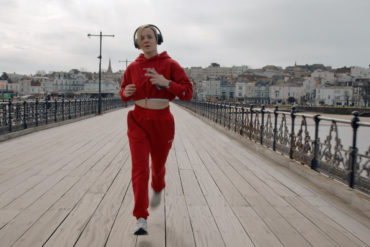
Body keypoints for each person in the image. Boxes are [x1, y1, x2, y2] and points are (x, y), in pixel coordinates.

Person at [119, 24, 193, 235]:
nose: (146, 40)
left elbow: (188, 93)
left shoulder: (170, 64)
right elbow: (123, 91)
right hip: (138, 120)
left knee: (158, 166)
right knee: (140, 168)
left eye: (150, 36)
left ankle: (158, 185)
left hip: (162, 121)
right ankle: (141, 217)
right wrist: (126, 91)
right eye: (142, 37)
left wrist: (167, 82)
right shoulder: (132, 67)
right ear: (137, 42)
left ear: (157, 39)